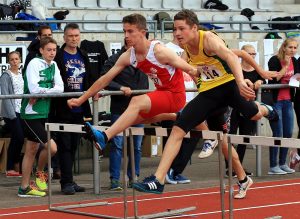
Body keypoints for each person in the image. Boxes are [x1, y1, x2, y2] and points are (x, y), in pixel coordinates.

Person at [132, 9, 278, 199]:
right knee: (189, 131)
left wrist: (246, 79)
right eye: (174, 29)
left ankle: (268, 109)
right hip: (209, 94)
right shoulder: (184, 49)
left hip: (229, 86)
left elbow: (235, 56)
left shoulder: (208, 39)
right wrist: (192, 72)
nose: (176, 33)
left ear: (194, 28)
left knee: (254, 114)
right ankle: (158, 180)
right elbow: (186, 68)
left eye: (181, 29)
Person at [67, 13, 200, 153]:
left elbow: (191, 70)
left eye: (130, 31)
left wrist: (205, 97)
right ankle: (176, 116)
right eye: (124, 31)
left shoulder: (159, 51)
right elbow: (105, 79)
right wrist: (81, 99)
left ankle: (105, 136)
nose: (126, 35)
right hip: (161, 93)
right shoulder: (129, 55)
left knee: (137, 101)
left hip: (175, 95)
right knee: (132, 118)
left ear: (143, 33)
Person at [100, 39, 149, 190]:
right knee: (117, 145)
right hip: (120, 109)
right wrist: (120, 87)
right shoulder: (115, 59)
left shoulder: (145, 58)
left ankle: (134, 177)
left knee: (137, 146)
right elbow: (104, 78)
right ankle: (115, 180)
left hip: (139, 110)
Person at [18, 37, 64, 197]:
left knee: (31, 149)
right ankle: (39, 173)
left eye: (54, 50)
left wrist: (43, 90)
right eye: (49, 50)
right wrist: (49, 88)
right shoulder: (34, 64)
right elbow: (33, 89)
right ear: (41, 50)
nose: (52, 53)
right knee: (52, 147)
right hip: (30, 113)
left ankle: (24, 188)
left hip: (44, 112)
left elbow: (61, 88)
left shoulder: (54, 65)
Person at [52, 23, 93, 195]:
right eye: (70, 36)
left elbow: (88, 79)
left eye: (76, 35)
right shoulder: (58, 57)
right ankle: (66, 182)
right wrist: (66, 100)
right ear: (64, 37)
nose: (74, 39)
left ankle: (70, 180)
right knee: (65, 146)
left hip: (80, 107)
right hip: (63, 108)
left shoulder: (83, 55)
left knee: (75, 145)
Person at [225, 44, 264, 177]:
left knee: (245, 137)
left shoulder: (256, 69)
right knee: (231, 136)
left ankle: (239, 167)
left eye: (254, 54)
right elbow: (229, 82)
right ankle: (229, 167)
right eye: (249, 54)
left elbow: (263, 78)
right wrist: (242, 81)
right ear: (242, 54)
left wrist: (260, 81)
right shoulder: (235, 68)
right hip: (235, 107)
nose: (252, 56)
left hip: (249, 107)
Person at [267, 38, 298, 175]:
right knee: (278, 133)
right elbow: (274, 79)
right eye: (290, 47)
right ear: (284, 47)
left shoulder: (295, 61)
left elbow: (296, 77)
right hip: (276, 101)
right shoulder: (274, 60)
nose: (293, 50)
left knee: (288, 133)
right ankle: (273, 166)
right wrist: (285, 66)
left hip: (288, 101)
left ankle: (282, 163)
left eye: (295, 48)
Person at [0, 51, 24, 177]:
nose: (15, 61)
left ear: (20, 60)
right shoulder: (6, 75)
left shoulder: (21, 73)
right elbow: (5, 96)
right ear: (8, 61)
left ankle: (13, 167)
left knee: (18, 138)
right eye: (12, 59)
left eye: (16, 59)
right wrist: (12, 115)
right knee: (18, 137)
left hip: (22, 110)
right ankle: (10, 166)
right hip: (11, 112)